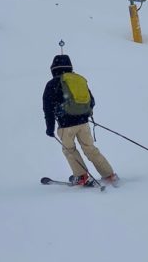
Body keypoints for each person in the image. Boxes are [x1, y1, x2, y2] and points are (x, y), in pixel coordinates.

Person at [43, 54, 118, 186]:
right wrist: (84, 114)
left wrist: (50, 127)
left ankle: (81, 176)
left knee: (69, 150)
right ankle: (109, 174)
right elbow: (91, 101)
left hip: (66, 125)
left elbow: (47, 108)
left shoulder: (52, 84)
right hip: (83, 123)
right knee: (90, 148)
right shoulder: (78, 80)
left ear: (53, 69)